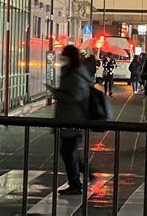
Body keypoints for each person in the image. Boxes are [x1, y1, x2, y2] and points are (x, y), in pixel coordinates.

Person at [49, 45, 93, 195]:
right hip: (69, 118)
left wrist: (58, 94)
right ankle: (83, 175)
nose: (62, 58)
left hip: (73, 118)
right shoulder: (72, 70)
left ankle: (76, 183)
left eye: (64, 56)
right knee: (69, 150)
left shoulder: (75, 74)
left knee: (68, 151)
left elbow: (76, 96)